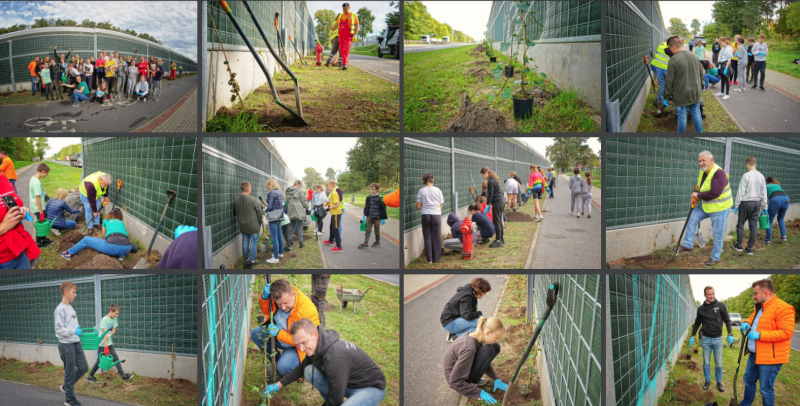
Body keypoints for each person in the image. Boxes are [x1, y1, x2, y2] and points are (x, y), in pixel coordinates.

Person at [262, 318, 386, 405]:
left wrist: (334, 401)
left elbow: (336, 397)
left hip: (370, 389)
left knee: (335, 399)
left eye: (304, 342)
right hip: (347, 384)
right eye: (297, 344)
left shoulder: (335, 357)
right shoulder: (318, 346)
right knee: (308, 371)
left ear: (314, 334)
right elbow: (301, 368)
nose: (301, 349)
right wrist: (279, 384)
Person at [738, 279, 795, 406]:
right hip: (754, 354)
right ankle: (746, 403)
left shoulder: (784, 308)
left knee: (765, 389)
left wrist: (760, 335)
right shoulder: (760, 307)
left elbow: (786, 333)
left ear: (766, 292)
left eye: (756, 293)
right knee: (748, 380)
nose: (754, 296)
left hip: (771, 358)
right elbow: (751, 319)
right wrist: (746, 324)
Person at [251, 280, 320, 376]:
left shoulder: (306, 311)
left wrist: (279, 333)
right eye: (279, 304)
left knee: (284, 367)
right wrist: (264, 298)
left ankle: (295, 370)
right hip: (280, 336)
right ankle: (276, 360)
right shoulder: (279, 297)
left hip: (298, 346)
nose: (283, 307)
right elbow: (267, 311)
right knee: (256, 334)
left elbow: (302, 340)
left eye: (286, 303)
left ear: (293, 294)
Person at [678, 151, 733, 266]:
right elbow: (699, 185)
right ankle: (688, 244)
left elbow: (715, 192)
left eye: (704, 160)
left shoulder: (719, 173)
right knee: (693, 217)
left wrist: (698, 196)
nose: (701, 163)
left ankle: (715, 257)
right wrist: (695, 192)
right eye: (700, 161)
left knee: (717, 233)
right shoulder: (702, 171)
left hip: (720, 208)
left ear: (712, 161)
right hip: (707, 206)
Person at [443, 317, 508, 404]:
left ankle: (473, 380)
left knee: (494, 347)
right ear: (488, 333)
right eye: (496, 338)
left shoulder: (475, 336)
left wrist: (495, 378)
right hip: (458, 380)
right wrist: (479, 393)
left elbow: (484, 362)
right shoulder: (469, 348)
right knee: (491, 348)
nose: (496, 340)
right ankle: (470, 383)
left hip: (460, 372)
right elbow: (454, 382)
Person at [687, 286, 735, 392]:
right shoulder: (701, 309)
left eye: (712, 293)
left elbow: (727, 320)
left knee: (719, 363)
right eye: (709, 294)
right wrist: (692, 335)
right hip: (706, 340)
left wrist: (730, 334)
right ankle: (707, 381)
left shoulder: (721, 306)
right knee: (706, 362)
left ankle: (719, 382)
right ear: (705, 295)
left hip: (718, 340)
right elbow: (697, 323)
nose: (711, 296)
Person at [55, 282, 88, 406]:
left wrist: (79, 331)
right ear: (65, 293)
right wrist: (73, 331)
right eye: (73, 292)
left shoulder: (70, 307)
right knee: (70, 371)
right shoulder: (60, 309)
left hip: (76, 342)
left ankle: (66, 386)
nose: (76, 295)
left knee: (83, 367)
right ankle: (69, 400)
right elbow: (59, 330)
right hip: (66, 345)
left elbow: (74, 324)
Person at [664, 36, 704, 133]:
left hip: (681, 94)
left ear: (672, 47)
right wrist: (701, 87)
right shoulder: (694, 56)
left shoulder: (673, 59)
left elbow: (669, 80)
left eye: (669, 48)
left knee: (682, 116)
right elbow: (701, 73)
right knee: (696, 113)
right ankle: (700, 133)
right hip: (695, 92)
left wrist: (667, 95)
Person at [0, 174, 40, 269]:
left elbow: (13, 203)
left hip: (20, 247)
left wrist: (21, 209)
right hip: (4, 258)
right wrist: (2, 227)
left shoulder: (2, 179)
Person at [61, 208, 134, 260]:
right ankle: (121, 257)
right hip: (127, 248)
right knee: (120, 242)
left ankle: (67, 254)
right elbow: (124, 235)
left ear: (110, 215)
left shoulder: (106, 221)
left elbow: (104, 236)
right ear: (120, 216)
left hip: (111, 247)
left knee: (86, 240)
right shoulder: (121, 223)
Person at [87, 305, 133, 382]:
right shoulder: (104, 320)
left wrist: (110, 334)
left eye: (118, 314)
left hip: (109, 342)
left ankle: (123, 376)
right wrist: (106, 347)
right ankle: (90, 376)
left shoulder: (114, 318)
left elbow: (114, 330)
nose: (117, 315)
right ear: (111, 311)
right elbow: (104, 334)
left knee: (115, 358)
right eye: (116, 313)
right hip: (102, 343)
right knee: (99, 361)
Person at [733, 156, 767, 255]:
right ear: (755, 164)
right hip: (757, 203)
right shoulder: (761, 176)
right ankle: (749, 248)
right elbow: (764, 192)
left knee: (740, 225)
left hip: (746, 203)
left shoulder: (746, 175)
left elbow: (740, 191)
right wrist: (765, 206)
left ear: (747, 164)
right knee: (753, 226)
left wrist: (736, 205)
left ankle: (739, 245)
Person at [441, 278, 492, 342]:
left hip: (452, 319)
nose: (485, 295)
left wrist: (478, 316)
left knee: (479, 322)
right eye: (485, 292)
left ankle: (455, 332)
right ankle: (455, 337)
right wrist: (479, 313)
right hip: (449, 322)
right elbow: (467, 315)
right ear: (480, 290)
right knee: (478, 324)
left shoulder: (470, 290)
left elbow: (470, 312)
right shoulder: (467, 297)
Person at [235, 182, 263, 269]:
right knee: (253, 242)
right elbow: (259, 213)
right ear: (248, 188)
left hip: (242, 225)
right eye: (250, 187)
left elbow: (235, 213)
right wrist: (260, 222)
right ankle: (251, 260)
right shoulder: (253, 199)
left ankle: (246, 259)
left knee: (245, 241)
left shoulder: (236, 200)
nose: (251, 189)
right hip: (253, 225)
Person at [416, 174, 444, 263]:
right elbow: (441, 204)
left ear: (424, 181)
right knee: (436, 237)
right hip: (436, 215)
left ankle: (430, 260)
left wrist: (424, 205)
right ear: (432, 180)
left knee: (427, 237)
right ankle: (437, 258)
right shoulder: (438, 190)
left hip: (425, 215)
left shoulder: (421, 191)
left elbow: (418, 206)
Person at [481, 168, 505, 247]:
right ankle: (501, 239)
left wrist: (488, 205)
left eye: (482, 175)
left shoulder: (490, 181)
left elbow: (490, 194)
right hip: (501, 201)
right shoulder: (494, 179)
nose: (483, 177)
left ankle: (498, 240)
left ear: (486, 173)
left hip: (497, 202)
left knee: (496, 222)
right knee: (499, 221)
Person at [359, 183, 387, 249]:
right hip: (369, 217)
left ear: (377, 190)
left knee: (376, 231)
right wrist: (365, 215)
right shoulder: (368, 197)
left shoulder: (380, 198)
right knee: (367, 230)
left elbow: (383, 209)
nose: (372, 190)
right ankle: (365, 243)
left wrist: (383, 219)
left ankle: (377, 242)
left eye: (373, 189)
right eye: (371, 189)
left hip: (377, 218)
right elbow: (366, 207)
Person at [28, 163, 50, 246]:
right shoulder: (36, 182)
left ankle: (43, 239)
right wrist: (41, 212)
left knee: (41, 223)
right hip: (38, 208)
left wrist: (45, 195)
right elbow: (37, 198)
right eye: (46, 174)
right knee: (41, 225)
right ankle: (40, 242)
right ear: (43, 171)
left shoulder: (33, 178)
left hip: (35, 207)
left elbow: (39, 193)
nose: (46, 176)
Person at [332, 2, 359, 70]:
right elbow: (335, 26)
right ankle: (343, 64)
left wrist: (354, 35)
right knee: (342, 50)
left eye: (346, 8)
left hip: (348, 36)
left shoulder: (353, 15)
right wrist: (333, 26)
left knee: (345, 50)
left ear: (349, 7)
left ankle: (345, 64)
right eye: (344, 9)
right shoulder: (341, 15)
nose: (345, 10)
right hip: (341, 35)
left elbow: (357, 26)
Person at [265, 178, 285, 264]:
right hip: (280, 214)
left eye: (267, 186)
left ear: (270, 185)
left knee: (274, 237)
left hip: (273, 215)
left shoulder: (271, 193)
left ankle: (275, 257)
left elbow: (269, 206)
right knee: (279, 235)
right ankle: (280, 253)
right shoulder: (280, 192)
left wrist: (265, 210)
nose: (267, 188)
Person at [764, 177, 789, 245]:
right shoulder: (777, 185)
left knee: (769, 220)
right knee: (781, 218)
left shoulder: (766, 186)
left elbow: (764, 197)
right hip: (786, 199)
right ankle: (784, 237)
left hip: (775, 199)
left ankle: (768, 240)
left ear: (767, 182)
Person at [650, 38, 671, 116]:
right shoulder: (668, 48)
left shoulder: (661, 45)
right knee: (662, 84)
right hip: (662, 67)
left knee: (663, 84)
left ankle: (661, 99)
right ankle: (659, 101)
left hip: (655, 65)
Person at [285, 180, 308, 250]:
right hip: (299, 212)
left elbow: (287, 201)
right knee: (299, 227)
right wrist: (307, 207)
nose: (301, 186)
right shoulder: (300, 191)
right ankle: (301, 243)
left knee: (290, 228)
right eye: (300, 185)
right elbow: (303, 202)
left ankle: (289, 244)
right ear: (298, 184)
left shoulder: (288, 191)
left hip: (290, 212)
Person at [323, 180, 344, 252]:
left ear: (332, 185)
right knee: (331, 227)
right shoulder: (333, 192)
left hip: (336, 213)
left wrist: (328, 208)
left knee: (335, 229)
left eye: (328, 185)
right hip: (333, 213)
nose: (327, 187)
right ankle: (330, 240)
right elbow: (331, 201)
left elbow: (337, 204)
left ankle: (339, 246)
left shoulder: (334, 192)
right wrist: (327, 204)